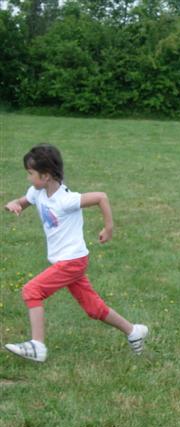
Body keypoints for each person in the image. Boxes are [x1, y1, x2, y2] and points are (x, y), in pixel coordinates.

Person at [3, 144, 148, 362]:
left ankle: (37, 346)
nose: (28, 178)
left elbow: (101, 197)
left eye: (30, 173)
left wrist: (108, 228)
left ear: (46, 176)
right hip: (65, 261)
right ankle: (133, 331)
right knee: (93, 308)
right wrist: (14, 204)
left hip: (72, 260)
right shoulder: (37, 192)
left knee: (32, 290)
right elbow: (23, 203)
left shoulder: (66, 200)